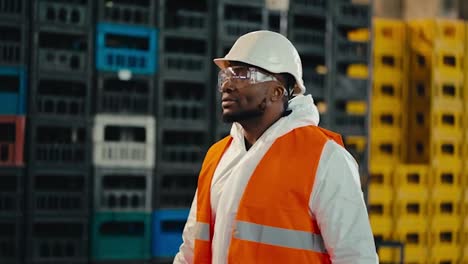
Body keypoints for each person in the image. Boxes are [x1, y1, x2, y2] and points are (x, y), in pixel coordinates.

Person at [173, 30, 378, 263]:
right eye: (226, 76)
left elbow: (355, 257)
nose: (227, 86)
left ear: (276, 92)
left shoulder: (325, 158)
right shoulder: (217, 156)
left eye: (242, 76)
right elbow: (190, 249)